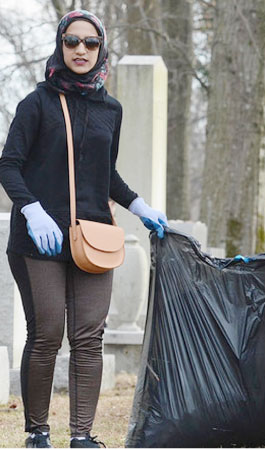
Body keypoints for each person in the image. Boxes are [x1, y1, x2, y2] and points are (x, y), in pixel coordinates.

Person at [0, 10, 168, 448]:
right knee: (47, 332)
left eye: (90, 43)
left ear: (101, 48)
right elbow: (9, 165)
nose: (81, 50)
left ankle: (82, 435)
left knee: (89, 337)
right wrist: (32, 211)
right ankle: (37, 432)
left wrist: (140, 206)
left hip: (93, 238)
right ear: (60, 45)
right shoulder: (36, 103)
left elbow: (104, 174)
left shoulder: (111, 108)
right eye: (72, 42)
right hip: (38, 241)